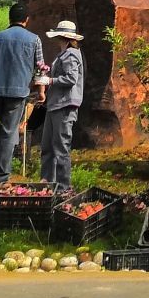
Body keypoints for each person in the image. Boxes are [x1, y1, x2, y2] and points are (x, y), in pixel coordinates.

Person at [0, 3, 42, 186]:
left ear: (9, 18)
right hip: (17, 93)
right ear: (26, 20)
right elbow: (41, 69)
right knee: (8, 133)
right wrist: (41, 91)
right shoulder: (34, 40)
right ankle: (2, 177)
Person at [39, 19, 85, 190]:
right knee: (47, 147)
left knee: (60, 148)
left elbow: (71, 79)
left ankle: (63, 187)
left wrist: (50, 80)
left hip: (65, 106)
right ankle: (47, 184)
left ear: (62, 37)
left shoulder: (72, 54)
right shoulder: (63, 54)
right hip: (55, 105)